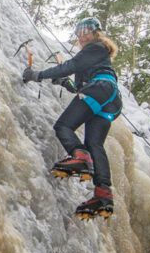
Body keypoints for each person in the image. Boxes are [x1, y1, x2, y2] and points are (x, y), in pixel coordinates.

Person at [23, 17, 122, 219]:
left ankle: (80, 157)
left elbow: (70, 66)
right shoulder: (95, 56)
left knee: (63, 126)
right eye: (79, 33)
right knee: (95, 144)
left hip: (100, 89)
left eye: (86, 31)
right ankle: (103, 194)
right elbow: (79, 87)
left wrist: (37, 75)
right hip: (109, 100)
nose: (82, 36)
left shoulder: (95, 48)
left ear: (96, 33)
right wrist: (64, 83)